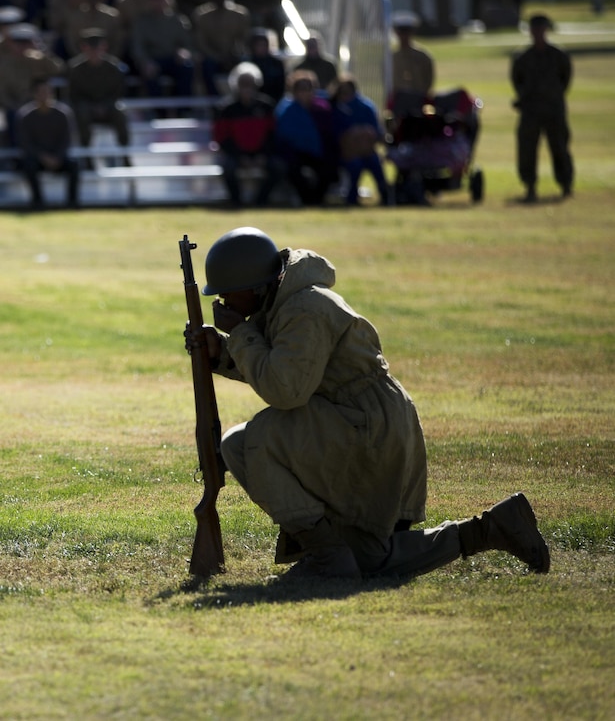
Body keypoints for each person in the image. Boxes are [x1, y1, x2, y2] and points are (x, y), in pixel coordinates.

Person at [185, 226, 551, 580]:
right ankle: (490, 529)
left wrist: (241, 335)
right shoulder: (289, 305)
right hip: (359, 424)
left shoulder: (306, 309)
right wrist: (224, 351)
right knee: (370, 561)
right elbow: (286, 367)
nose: (222, 302)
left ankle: (327, 555)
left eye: (228, 294)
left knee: (254, 440)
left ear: (253, 287)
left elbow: (287, 390)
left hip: (366, 429)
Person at [511, 13, 574, 203]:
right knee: (527, 150)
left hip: (554, 110)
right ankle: (530, 186)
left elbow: (565, 78)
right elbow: (517, 80)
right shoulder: (523, 58)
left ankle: (565, 184)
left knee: (560, 147)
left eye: (541, 30)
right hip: (530, 110)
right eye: (534, 30)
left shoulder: (558, 56)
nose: (538, 34)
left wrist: (553, 96)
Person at [212, 62, 285, 207]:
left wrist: (263, 155)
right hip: (236, 154)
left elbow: (272, 135)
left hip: (261, 154)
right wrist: (240, 156)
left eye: (250, 84)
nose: (247, 88)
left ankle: (261, 201)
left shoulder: (266, 106)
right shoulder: (227, 109)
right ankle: (236, 201)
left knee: (279, 167)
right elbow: (222, 137)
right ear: (236, 85)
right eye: (243, 84)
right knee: (228, 168)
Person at [67, 28, 131, 166]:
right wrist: (93, 106)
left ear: (104, 47)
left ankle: (125, 153)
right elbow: (74, 95)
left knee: (120, 112)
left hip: (108, 105)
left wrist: (105, 105)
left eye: (97, 48)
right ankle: (87, 155)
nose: (94, 52)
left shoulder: (113, 67)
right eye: (91, 48)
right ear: (84, 48)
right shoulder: (76, 69)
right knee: (81, 112)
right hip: (86, 106)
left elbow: (118, 93)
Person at [274, 70, 338, 206]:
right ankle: (307, 200)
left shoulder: (322, 109)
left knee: (328, 169)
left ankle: (317, 201)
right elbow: (283, 139)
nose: (304, 93)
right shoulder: (286, 110)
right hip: (294, 153)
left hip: (317, 152)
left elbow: (328, 136)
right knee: (293, 170)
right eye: (300, 89)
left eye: (308, 89)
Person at [15, 77, 80, 209]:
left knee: (74, 165)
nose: (44, 95)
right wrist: (43, 157)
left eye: (47, 91)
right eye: (40, 92)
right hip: (37, 158)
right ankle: (37, 202)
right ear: (34, 94)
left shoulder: (63, 114)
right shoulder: (25, 116)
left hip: (58, 157)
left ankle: (72, 203)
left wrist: (58, 156)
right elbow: (25, 143)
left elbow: (67, 140)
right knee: (29, 166)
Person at [330, 74, 391, 206]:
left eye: (349, 92)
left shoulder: (365, 107)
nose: (346, 96)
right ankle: (352, 199)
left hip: (367, 150)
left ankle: (387, 197)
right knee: (355, 165)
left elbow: (378, 132)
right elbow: (336, 136)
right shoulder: (335, 109)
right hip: (345, 153)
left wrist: (367, 135)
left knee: (375, 162)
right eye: (343, 92)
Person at [130, 0, 194, 101]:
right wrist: (145, 62)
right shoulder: (142, 22)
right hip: (153, 60)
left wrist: (184, 52)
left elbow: (187, 43)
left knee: (187, 67)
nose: (159, 2)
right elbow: (138, 46)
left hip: (173, 59)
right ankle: (159, 112)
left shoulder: (177, 20)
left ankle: (183, 107)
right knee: (150, 74)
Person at [192, 0, 250, 96]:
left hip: (233, 55)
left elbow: (243, 38)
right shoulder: (202, 15)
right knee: (206, 66)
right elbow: (201, 42)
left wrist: (236, 52)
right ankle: (213, 97)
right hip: (212, 56)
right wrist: (217, 56)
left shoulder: (239, 14)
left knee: (245, 63)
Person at [389, 10, 434, 109]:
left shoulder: (423, 56)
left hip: (418, 100)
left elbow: (428, 79)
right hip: (398, 102)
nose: (404, 36)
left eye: (407, 32)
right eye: (401, 32)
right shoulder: (391, 57)